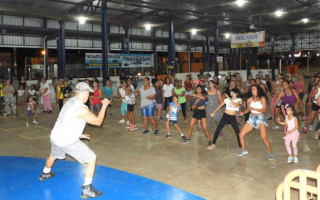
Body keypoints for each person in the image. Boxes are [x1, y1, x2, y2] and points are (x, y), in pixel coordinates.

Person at [38, 82, 110, 199]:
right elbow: (98, 121)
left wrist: (79, 134)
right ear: (82, 92)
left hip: (55, 136)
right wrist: (105, 105)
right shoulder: (81, 108)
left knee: (53, 155)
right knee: (91, 158)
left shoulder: (68, 102)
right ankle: (87, 189)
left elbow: (66, 120)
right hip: (66, 141)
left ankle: (45, 172)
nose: (89, 95)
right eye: (88, 92)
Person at [238, 84, 274, 160]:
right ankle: (244, 149)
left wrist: (254, 108)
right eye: (251, 89)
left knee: (263, 137)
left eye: (254, 89)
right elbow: (248, 109)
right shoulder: (249, 100)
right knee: (241, 134)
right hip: (251, 118)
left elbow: (264, 110)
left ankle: (270, 153)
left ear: (258, 90)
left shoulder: (262, 98)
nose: (252, 91)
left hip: (260, 118)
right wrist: (243, 113)